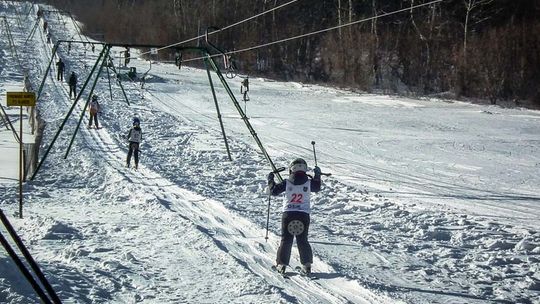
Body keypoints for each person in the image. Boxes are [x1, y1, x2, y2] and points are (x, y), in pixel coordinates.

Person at [267, 158, 322, 276]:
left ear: (291, 170)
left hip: (288, 213)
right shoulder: (308, 183)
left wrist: (270, 179)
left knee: (286, 239)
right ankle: (306, 266)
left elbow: (273, 191)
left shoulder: (287, 182)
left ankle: (281, 265)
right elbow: (317, 187)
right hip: (303, 214)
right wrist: (317, 175)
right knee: (303, 240)